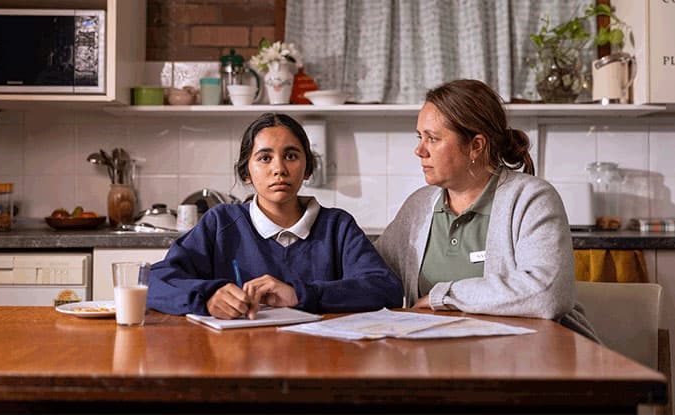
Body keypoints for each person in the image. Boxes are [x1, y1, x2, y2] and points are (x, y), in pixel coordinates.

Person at [375, 79, 597, 339]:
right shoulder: (419, 206)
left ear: (476, 146)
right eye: (420, 137)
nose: (419, 150)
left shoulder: (531, 198)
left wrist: (444, 296)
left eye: (433, 139)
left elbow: (548, 295)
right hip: (440, 360)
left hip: (531, 358)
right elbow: (370, 271)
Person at [147, 113, 403, 319]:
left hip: (320, 361)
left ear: (307, 169)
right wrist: (208, 296)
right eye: (264, 158)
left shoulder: (337, 226)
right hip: (236, 360)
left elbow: (385, 289)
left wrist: (300, 295)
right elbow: (155, 282)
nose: (279, 169)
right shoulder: (220, 222)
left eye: (290, 156)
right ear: (246, 173)